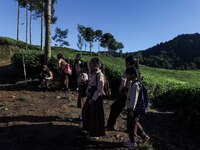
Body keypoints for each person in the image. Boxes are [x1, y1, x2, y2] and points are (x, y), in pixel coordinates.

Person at [106, 55, 140, 131]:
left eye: (125, 62)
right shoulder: (136, 70)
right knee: (125, 111)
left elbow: (124, 82)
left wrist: (122, 91)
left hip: (125, 93)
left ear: (128, 62)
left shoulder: (128, 70)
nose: (125, 63)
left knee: (115, 108)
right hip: (128, 93)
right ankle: (132, 130)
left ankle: (110, 126)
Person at [123, 67, 149, 148]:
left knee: (132, 125)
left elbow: (134, 98)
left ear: (133, 75)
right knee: (135, 123)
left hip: (133, 109)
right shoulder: (135, 83)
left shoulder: (135, 85)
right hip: (134, 108)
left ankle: (132, 142)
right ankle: (144, 136)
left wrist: (131, 109)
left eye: (127, 74)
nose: (126, 76)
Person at [82, 57, 105, 140]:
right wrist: (87, 91)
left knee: (95, 116)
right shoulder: (93, 74)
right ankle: (89, 129)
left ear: (97, 65)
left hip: (96, 99)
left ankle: (95, 134)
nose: (90, 65)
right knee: (86, 112)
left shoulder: (100, 75)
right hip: (91, 96)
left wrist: (93, 99)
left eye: (91, 64)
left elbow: (99, 89)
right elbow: (90, 84)